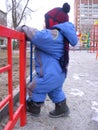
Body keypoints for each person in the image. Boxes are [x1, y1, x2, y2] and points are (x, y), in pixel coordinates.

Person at [16, 6, 78, 119]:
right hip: (59, 73)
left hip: (51, 74)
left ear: (53, 21)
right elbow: (42, 39)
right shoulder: (62, 35)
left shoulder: (55, 35)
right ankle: (62, 108)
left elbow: (38, 36)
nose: (45, 23)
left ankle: (34, 107)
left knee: (35, 87)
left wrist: (23, 28)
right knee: (54, 90)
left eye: (46, 20)